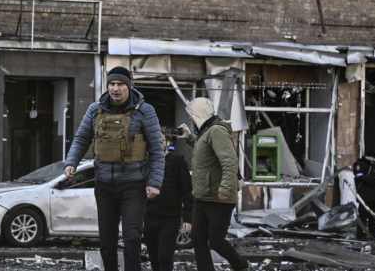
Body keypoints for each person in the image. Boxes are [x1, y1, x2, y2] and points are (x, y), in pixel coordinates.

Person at [63, 66, 164, 271]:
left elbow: (156, 149)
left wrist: (154, 183)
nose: (115, 88)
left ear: (129, 86)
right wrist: (71, 162)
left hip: (134, 185)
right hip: (104, 184)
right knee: (106, 240)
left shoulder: (145, 110)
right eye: (112, 84)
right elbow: (81, 138)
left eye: (120, 84)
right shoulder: (95, 109)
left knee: (132, 237)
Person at [185, 97, 248, 271]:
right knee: (198, 239)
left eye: (191, 115)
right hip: (203, 196)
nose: (190, 119)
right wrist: (189, 138)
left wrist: (226, 188)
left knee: (216, 241)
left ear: (198, 114)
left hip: (218, 197)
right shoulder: (206, 131)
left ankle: (241, 265)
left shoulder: (216, 131)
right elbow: (206, 152)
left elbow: (229, 162)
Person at [144, 133, 192, 271]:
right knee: (153, 257)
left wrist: (188, 218)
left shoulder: (177, 161)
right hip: (149, 216)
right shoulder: (146, 162)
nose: (158, 143)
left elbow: (187, 191)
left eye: (161, 140)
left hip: (170, 218)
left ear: (167, 142)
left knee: (164, 256)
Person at [353, 156, 375, 240]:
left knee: (373, 217)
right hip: (364, 196)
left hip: (374, 195)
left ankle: (372, 233)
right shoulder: (359, 164)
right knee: (363, 216)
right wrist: (374, 179)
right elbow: (359, 176)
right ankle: (360, 234)